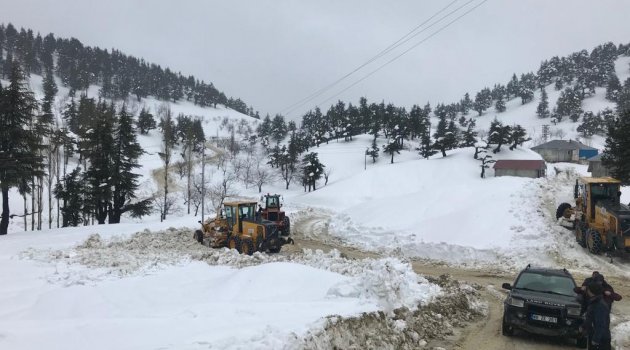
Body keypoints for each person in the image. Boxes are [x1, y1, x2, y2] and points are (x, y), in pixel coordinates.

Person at [580, 282, 611, 350]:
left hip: (601, 340)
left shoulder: (599, 305)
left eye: (588, 289)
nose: (587, 291)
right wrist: (584, 327)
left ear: (591, 291)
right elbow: (590, 318)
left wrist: (596, 340)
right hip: (594, 336)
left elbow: (600, 324)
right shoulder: (594, 302)